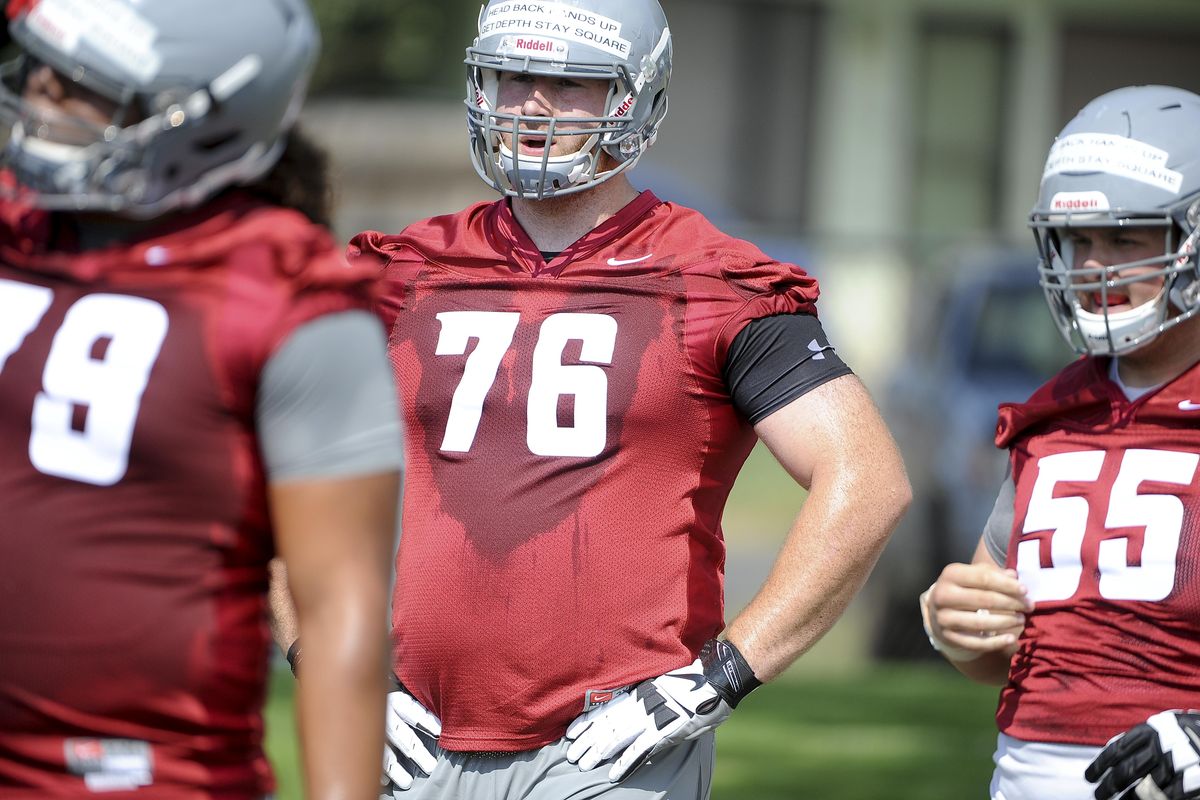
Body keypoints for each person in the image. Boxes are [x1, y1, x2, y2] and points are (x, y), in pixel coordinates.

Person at [348, 0, 910, 796]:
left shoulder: (712, 280)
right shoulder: (403, 271)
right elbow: (267, 470)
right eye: (512, 76)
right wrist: (328, 658)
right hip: (415, 741)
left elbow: (866, 479)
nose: (530, 104)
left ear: (634, 97)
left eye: (567, 81)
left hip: (613, 752)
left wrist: (719, 678)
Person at [0, 1, 401, 798]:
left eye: (76, 84)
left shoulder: (288, 299)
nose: (37, 92)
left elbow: (337, 616)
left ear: (192, 117)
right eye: (38, 67)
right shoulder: (20, 230)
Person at [920, 84, 1200, 800]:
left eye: (1125, 237)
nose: (1093, 266)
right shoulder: (1054, 414)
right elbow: (1017, 653)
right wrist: (963, 630)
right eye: (1078, 240)